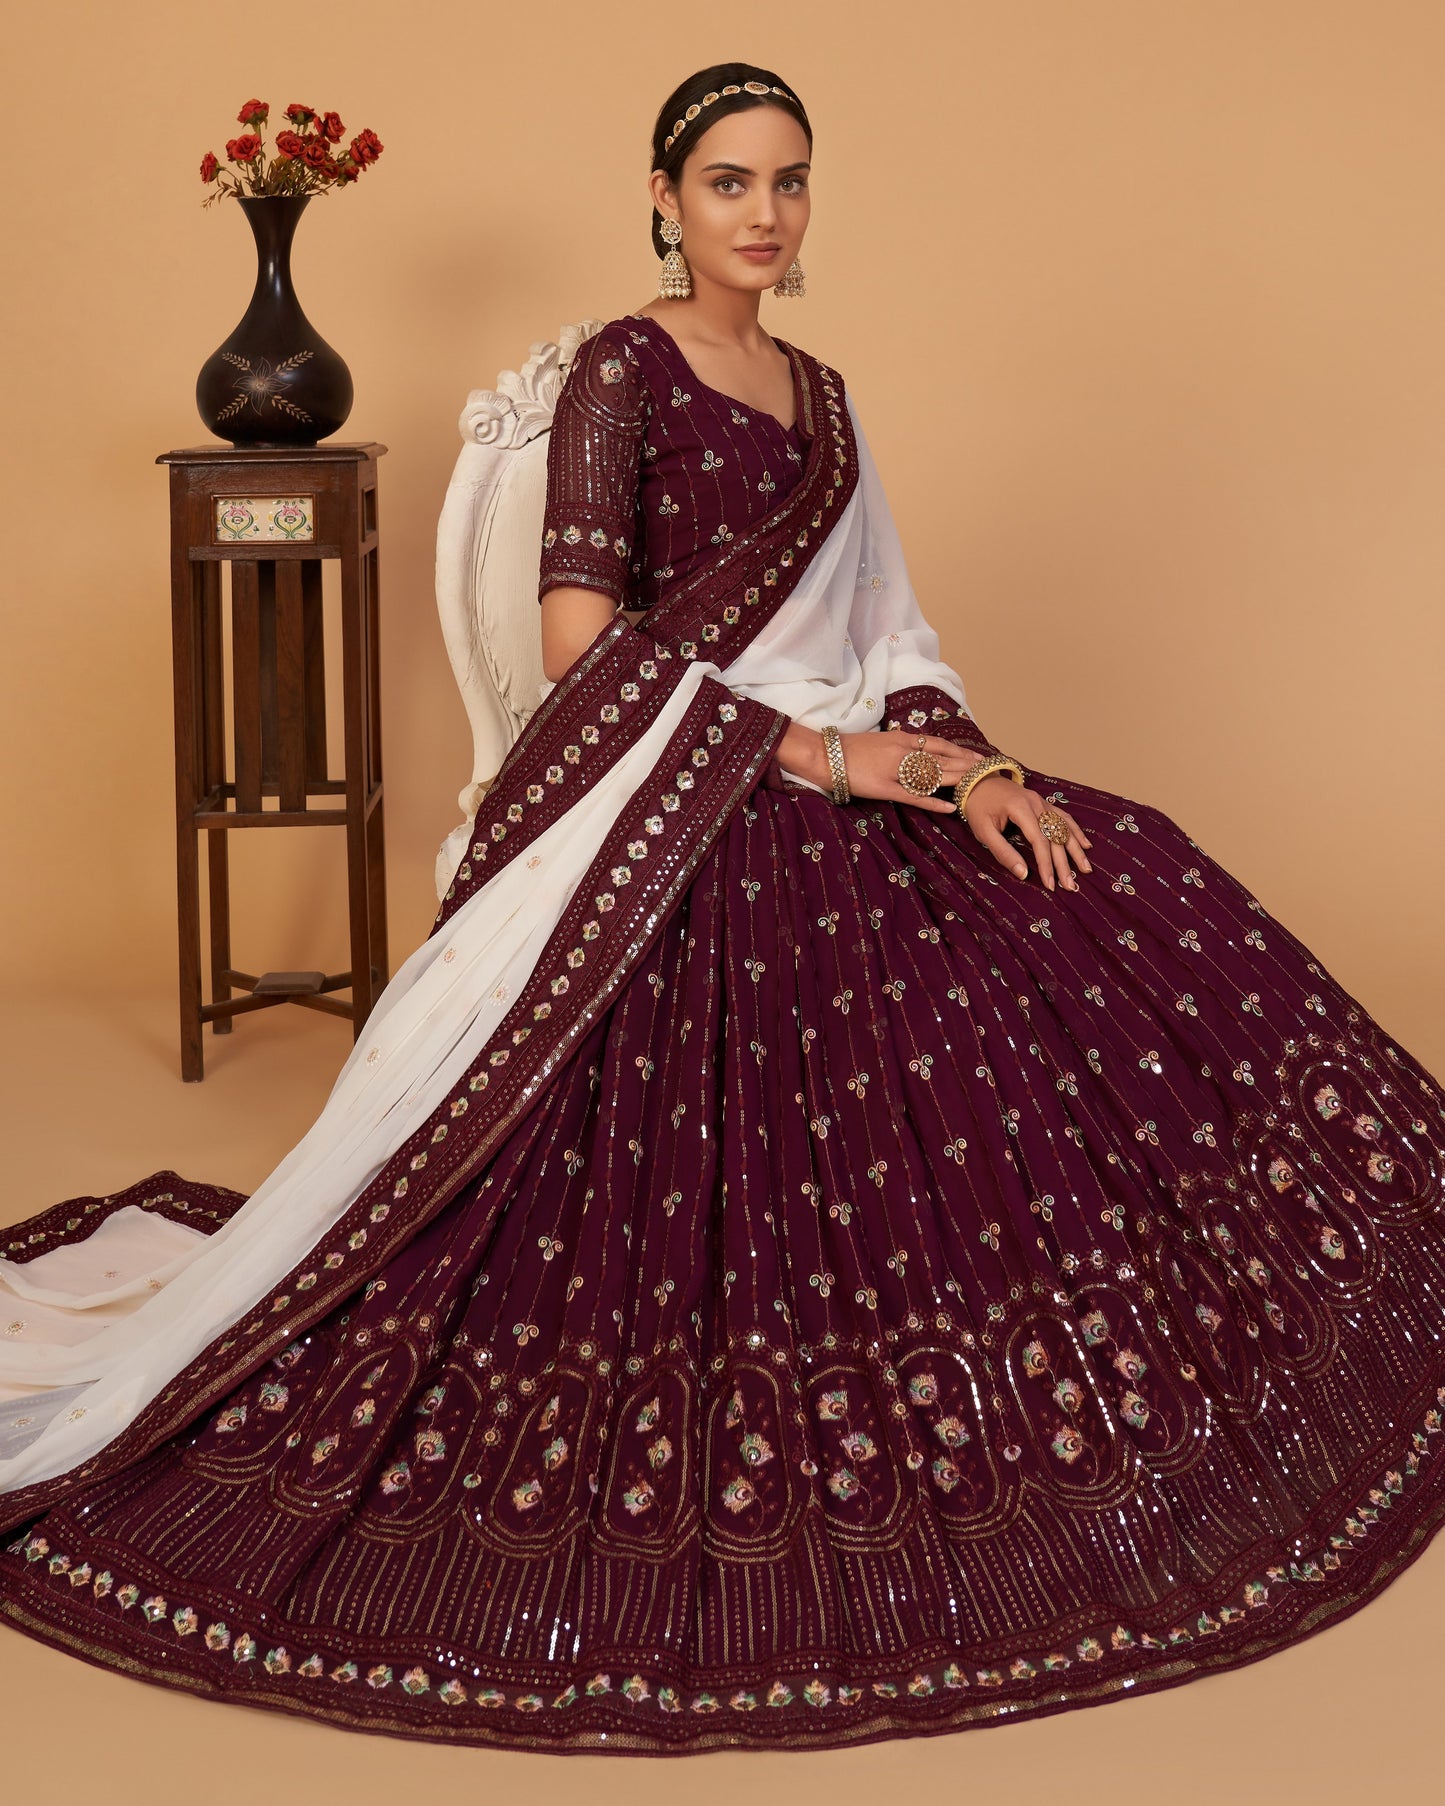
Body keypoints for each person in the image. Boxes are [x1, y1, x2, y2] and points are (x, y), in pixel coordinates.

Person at [3, 61, 1445, 1759]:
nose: (763, 214)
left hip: (862, 766)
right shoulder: (622, 373)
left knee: (1116, 871)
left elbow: (891, 632)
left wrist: (964, 768)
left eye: (789, 181)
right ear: (664, 198)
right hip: (692, 792)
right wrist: (817, 759)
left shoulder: (825, 397)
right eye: (728, 183)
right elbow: (580, 645)